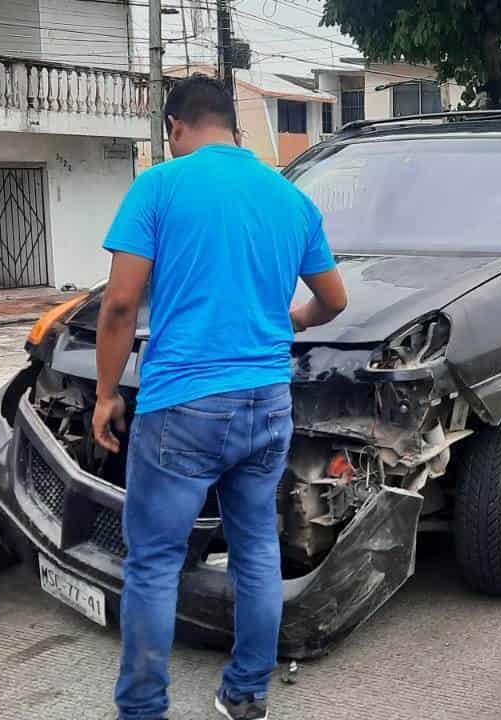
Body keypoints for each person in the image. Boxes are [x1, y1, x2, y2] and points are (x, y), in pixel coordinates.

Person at [92, 74, 347, 720]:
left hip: (184, 402)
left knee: (152, 562)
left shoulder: (158, 186)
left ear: (176, 127)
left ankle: (144, 709)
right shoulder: (287, 197)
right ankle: (245, 695)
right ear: (231, 126)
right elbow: (334, 299)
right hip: (267, 402)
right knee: (256, 549)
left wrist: (103, 396)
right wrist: (298, 320)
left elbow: (120, 304)